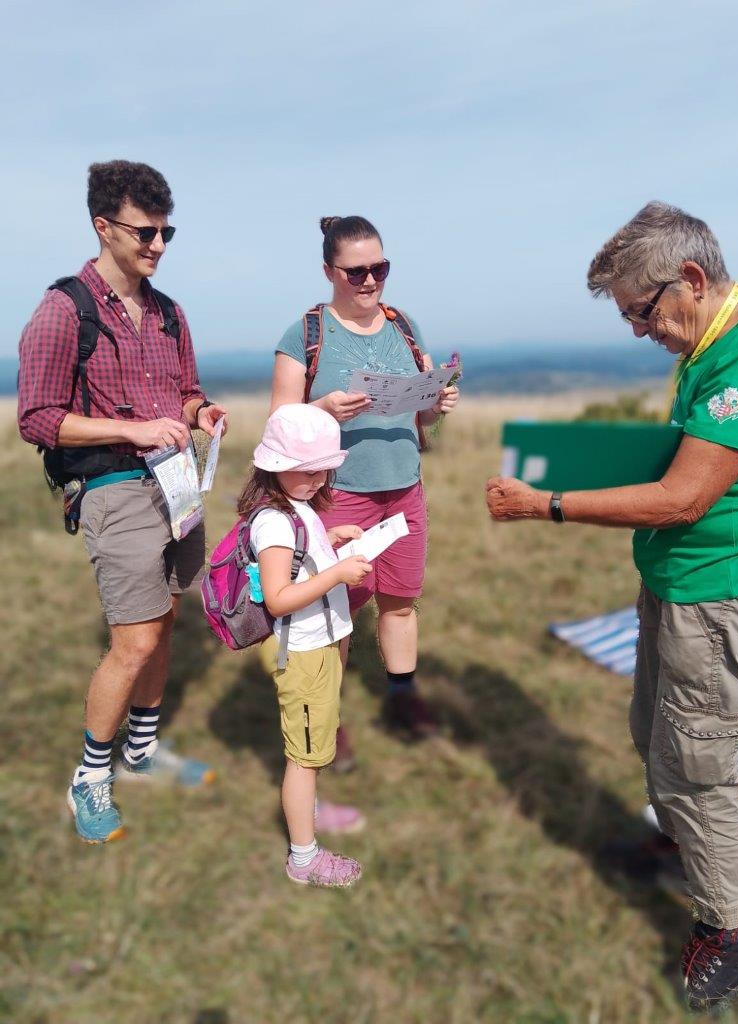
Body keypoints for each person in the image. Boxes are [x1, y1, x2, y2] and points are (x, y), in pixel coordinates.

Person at [486, 201, 738, 1013]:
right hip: (679, 583)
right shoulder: (718, 337)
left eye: (643, 312)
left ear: (692, 279)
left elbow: (684, 499)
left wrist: (548, 505)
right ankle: (680, 849)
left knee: (698, 766)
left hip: (720, 594)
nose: (641, 332)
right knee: (655, 733)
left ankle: (728, 939)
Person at [17, 160, 227, 844]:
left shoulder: (169, 313)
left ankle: (141, 751)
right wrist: (130, 430)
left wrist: (200, 412)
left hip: (178, 485)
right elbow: (37, 419)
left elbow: (184, 391)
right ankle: (90, 776)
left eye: (167, 232)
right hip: (113, 488)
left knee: (163, 623)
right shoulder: (63, 311)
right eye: (145, 232)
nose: (158, 245)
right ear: (103, 226)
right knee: (133, 642)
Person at [269, 215, 460, 761]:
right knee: (335, 611)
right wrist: (322, 408)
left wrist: (436, 404)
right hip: (340, 492)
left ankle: (403, 698)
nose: (370, 280)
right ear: (329, 271)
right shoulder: (305, 335)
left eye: (380, 268)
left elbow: (422, 419)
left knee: (400, 602)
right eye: (356, 271)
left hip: (404, 487)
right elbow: (279, 421)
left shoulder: (404, 326)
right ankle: (327, 714)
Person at [245, 403, 372, 886]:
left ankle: (310, 810)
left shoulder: (296, 508)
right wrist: (337, 574)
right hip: (303, 651)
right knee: (304, 758)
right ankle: (304, 858)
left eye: (324, 469)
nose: (319, 479)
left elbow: (298, 563)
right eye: (308, 469)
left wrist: (329, 540)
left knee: (315, 744)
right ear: (276, 466)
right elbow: (279, 598)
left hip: (322, 644)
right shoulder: (274, 523)